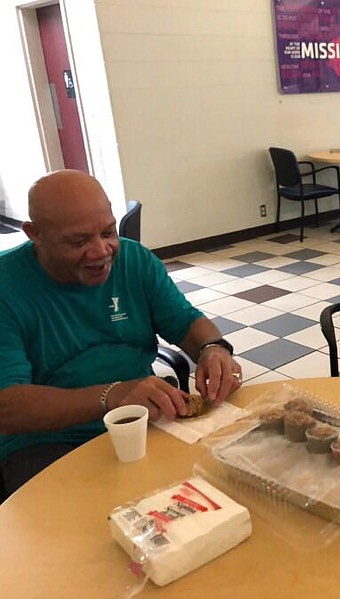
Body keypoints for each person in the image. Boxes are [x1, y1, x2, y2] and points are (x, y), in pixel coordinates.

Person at [0, 170, 243, 501]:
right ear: (35, 234)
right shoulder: (7, 287)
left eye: (108, 232)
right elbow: (9, 408)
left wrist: (213, 349)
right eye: (78, 241)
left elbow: (185, 321)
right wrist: (111, 395)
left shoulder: (134, 261)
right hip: (46, 442)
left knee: (228, 487)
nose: (101, 251)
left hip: (145, 422)